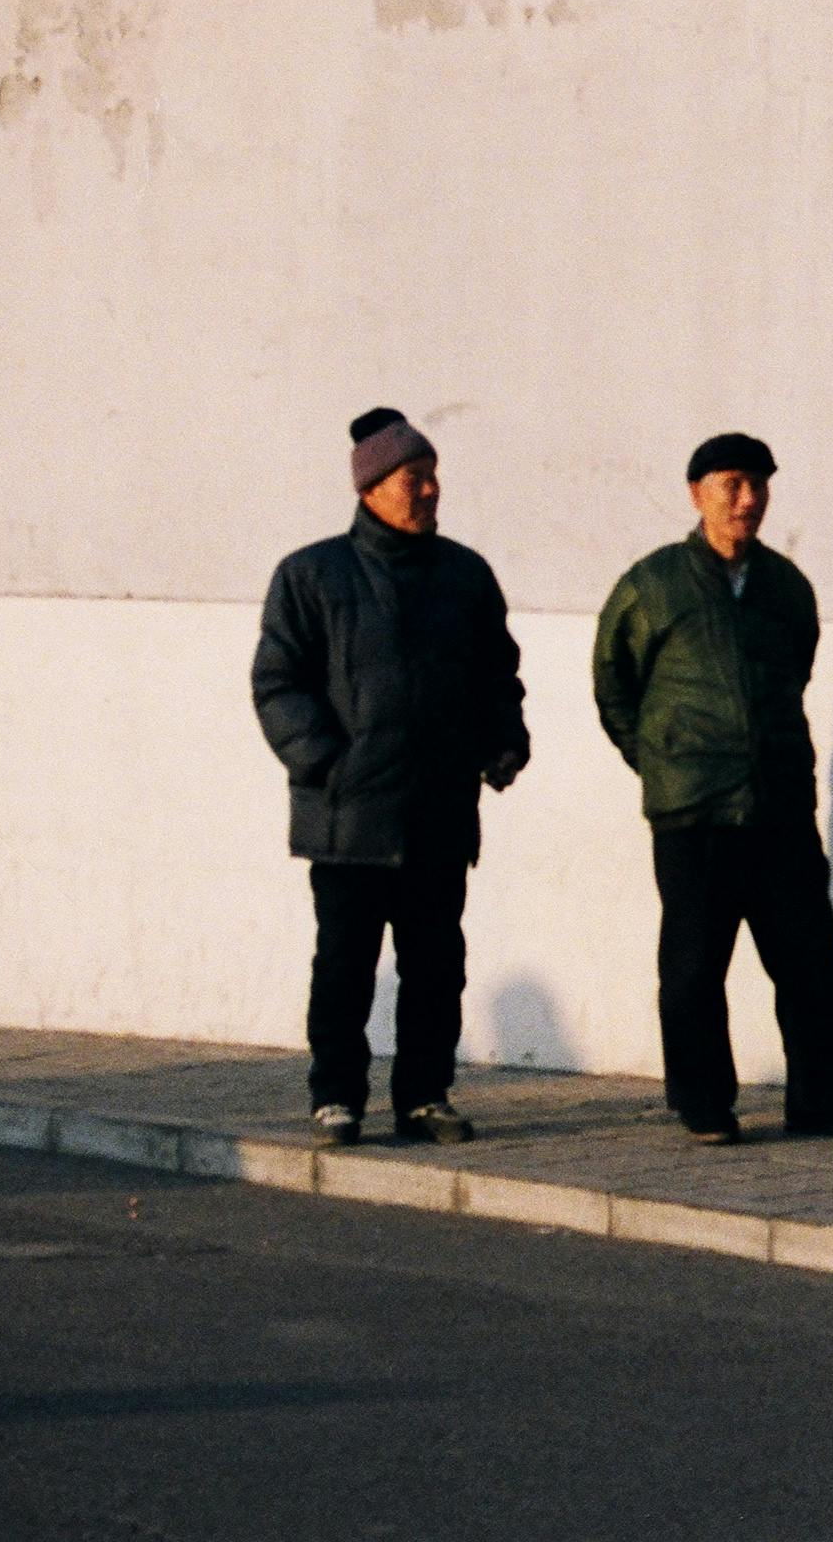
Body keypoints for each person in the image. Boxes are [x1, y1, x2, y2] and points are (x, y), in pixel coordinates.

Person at [592, 433, 833, 1145]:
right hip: (693, 811)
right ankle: (702, 1101)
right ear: (696, 493)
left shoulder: (786, 588)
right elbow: (614, 687)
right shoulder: (653, 584)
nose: (748, 499)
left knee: (811, 962)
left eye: (758, 484)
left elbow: (797, 671)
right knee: (695, 966)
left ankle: (821, 1096)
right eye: (732, 484)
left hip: (779, 805)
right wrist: (666, 761)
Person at [252, 407, 529, 1146]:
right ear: (372, 487)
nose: (431, 490)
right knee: (344, 966)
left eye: (434, 476)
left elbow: (499, 673)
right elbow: (278, 682)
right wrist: (324, 764)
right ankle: (336, 1096)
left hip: (439, 811)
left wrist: (504, 740)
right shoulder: (311, 575)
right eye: (415, 478)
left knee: (436, 967)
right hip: (348, 817)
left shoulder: (465, 575)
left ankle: (424, 1096)